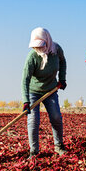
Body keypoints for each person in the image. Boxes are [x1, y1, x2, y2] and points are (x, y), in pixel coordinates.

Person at [22, 27, 67, 158]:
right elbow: (25, 79)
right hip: (33, 92)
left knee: (56, 117)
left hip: (50, 90)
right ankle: (34, 151)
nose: (38, 48)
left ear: (47, 41)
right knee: (33, 120)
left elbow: (63, 62)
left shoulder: (56, 50)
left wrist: (62, 79)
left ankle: (59, 146)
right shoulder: (32, 57)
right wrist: (26, 100)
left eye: (41, 45)